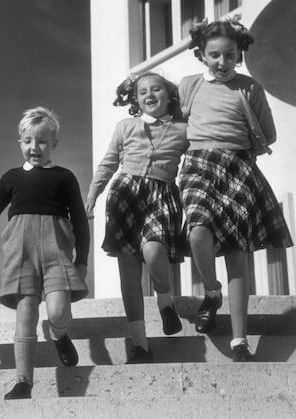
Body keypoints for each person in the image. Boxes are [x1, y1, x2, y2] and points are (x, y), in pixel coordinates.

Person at [0, 106, 89, 400]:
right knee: (26, 313)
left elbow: (81, 222)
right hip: (20, 254)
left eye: (43, 141)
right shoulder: (11, 178)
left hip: (56, 252)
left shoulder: (64, 177)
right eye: (28, 141)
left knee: (59, 310)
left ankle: (59, 335)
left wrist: (81, 260)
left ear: (54, 144)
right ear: (20, 142)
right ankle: (23, 381)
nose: (35, 148)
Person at [178, 17, 293, 361]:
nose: (222, 62)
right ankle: (212, 293)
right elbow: (174, 126)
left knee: (237, 255)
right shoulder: (188, 85)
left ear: (239, 55)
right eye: (215, 55)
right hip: (198, 164)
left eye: (230, 55)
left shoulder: (250, 88)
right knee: (198, 230)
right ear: (202, 54)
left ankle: (239, 340)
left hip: (238, 167)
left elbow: (268, 134)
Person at [86, 72, 188, 363]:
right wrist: (93, 194)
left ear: (169, 95)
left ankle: (165, 302)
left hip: (162, 193)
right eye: (142, 92)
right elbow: (108, 163)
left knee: (154, 250)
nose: (149, 95)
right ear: (135, 99)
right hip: (125, 196)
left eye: (156, 89)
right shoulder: (125, 126)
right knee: (129, 272)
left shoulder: (183, 129)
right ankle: (140, 345)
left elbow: (197, 160)